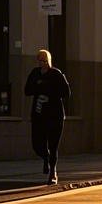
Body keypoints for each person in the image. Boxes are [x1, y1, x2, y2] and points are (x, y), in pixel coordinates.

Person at [24, 49, 71, 184]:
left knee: (53, 144)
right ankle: (46, 158)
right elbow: (27, 90)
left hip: (55, 116)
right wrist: (37, 86)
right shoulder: (35, 74)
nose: (42, 63)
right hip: (39, 115)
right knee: (37, 144)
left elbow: (66, 92)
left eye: (44, 61)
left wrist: (50, 91)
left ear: (48, 61)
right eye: (40, 60)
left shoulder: (56, 74)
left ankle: (52, 172)